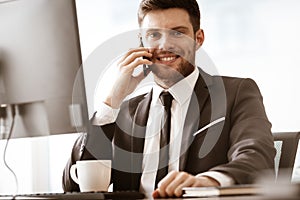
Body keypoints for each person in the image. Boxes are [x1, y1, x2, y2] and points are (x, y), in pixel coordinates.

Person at [63, 0, 276, 198]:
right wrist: (111, 102)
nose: (165, 45)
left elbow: (256, 157)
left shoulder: (236, 93)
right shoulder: (125, 112)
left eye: (177, 33)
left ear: (198, 39)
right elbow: (73, 186)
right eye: (154, 35)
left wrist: (207, 182)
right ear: (142, 42)